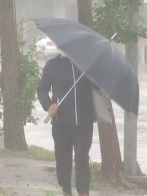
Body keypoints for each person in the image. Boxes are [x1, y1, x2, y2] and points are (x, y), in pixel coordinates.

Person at [37, 54, 95, 196]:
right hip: (61, 123)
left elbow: (99, 87)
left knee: (82, 158)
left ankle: (83, 192)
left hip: (84, 123)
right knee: (63, 160)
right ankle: (66, 190)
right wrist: (49, 105)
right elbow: (42, 90)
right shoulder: (53, 64)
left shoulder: (87, 63)